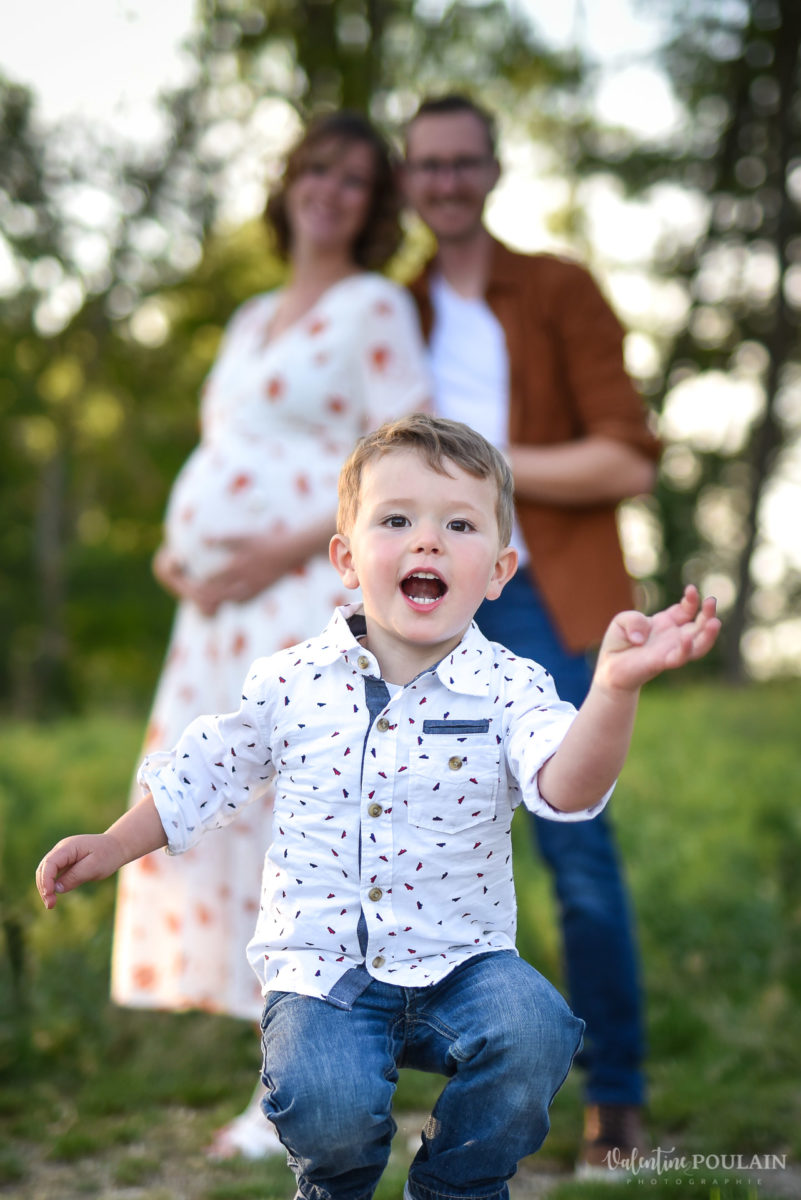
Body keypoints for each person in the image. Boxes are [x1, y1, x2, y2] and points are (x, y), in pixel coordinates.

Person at [37, 414, 719, 1200]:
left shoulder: (509, 686)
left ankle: (457, 1185)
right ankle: (335, 1185)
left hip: (463, 962)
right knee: (326, 1108)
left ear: (497, 571)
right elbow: (208, 770)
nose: (426, 541)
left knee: (534, 1028)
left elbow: (566, 786)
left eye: (457, 525)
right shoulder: (291, 680)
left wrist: (612, 689)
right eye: (396, 520)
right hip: (322, 968)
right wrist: (115, 842)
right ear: (346, 557)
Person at [110, 110, 431, 1159]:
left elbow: (398, 459)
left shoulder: (375, 305)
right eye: (316, 171)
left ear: (376, 207)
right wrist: (183, 552)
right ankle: (290, 1080)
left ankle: (302, 1093)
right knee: (220, 814)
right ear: (289, 183)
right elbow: (228, 453)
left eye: (354, 180)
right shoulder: (250, 317)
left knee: (301, 841)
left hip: (303, 595)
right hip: (215, 613)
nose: (329, 191)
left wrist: (270, 554)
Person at [402, 95, 662, 1169]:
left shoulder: (555, 289)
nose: (447, 182)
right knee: (415, 850)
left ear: (494, 170)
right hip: (421, 601)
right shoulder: (389, 309)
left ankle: (620, 1093)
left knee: (576, 849)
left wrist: (482, 468)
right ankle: (447, 1090)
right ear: (409, 182)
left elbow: (626, 457)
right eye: (428, 166)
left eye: (465, 163)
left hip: (546, 593)